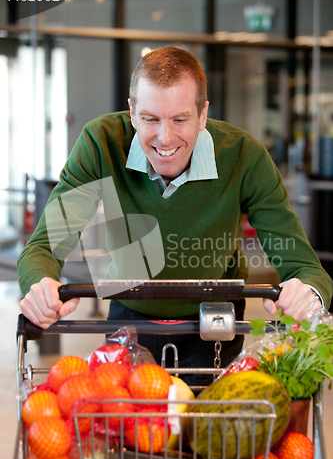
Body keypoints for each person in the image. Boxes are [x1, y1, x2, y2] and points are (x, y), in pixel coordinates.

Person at [18, 46, 333, 383]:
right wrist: (40, 285)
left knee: (204, 434)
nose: (164, 138)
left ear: (202, 115)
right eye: (150, 118)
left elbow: (304, 267)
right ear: (132, 112)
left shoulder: (245, 157)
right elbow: (45, 246)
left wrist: (307, 293)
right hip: (128, 313)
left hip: (215, 321)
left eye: (180, 119)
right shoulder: (101, 143)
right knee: (124, 429)